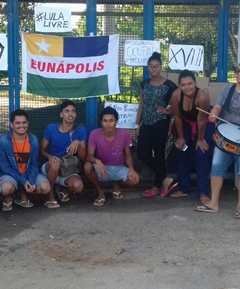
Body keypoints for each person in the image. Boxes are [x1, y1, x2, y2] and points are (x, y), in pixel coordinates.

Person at [196, 61, 240, 218]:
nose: (239, 74)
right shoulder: (227, 89)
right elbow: (218, 106)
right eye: (238, 71)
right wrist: (213, 113)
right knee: (216, 168)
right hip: (224, 137)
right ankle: (213, 203)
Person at [0, 109, 57, 211]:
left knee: (45, 187)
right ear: (11, 124)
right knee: (6, 188)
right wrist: (23, 181)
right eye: (17, 123)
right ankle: (8, 199)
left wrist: (31, 181)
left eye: (24, 122)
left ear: (28, 123)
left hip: (28, 173)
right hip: (10, 174)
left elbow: (34, 163)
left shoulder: (33, 139)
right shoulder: (2, 141)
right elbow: (5, 167)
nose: (21, 126)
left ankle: (23, 193)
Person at [137, 52, 178, 198]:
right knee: (142, 152)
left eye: (156, 66)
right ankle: (165, 178)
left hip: (160, 123)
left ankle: (156, 187)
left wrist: (168, 111)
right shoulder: (144, 84)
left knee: (159, 154)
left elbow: (178, 101)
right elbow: (142, 103)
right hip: (146, 123)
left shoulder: (169, 85)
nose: (154, 69)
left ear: (161, 67)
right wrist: (137, 124)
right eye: (151, 66)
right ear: (148, 68)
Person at [169, 70, 215, 203]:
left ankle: (203, 192)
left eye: (190, 84)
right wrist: (181, 137)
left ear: (195, 83)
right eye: (183, 85)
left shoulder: (203, 97)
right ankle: (184, 188)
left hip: (204, 125)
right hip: (185, 124)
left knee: (201, 152)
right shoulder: (176, 96)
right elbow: (177, 117)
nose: (187, 87)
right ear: (179, 85)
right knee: (182, 149)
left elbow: (201, 121)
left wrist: (200, 140)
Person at [84, 107, 140, 207]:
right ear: (101, 122)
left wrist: (131, 169)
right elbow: (89, 156)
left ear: (116, 121)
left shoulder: (125, 134)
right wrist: (98, 161)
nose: (108, 124)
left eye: (111, 120)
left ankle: (116, 185)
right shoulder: (94, 134)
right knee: (87, 166)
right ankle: (100, 192)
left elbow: (128, 155)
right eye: (105, 121)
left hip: (118, 167)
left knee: (134, 180)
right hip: (101, 168)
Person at [39, 100, 87, 203]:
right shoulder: (51, 128)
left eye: (73, 111)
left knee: (78, 186)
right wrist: (50, 156)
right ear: (61, 114)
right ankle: (50, 195)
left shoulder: (81, 130)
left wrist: (78, 143)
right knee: (55, 164)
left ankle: (61, 188)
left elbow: (83, 157)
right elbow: (41, 150)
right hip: (51, 167)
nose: (70, 114)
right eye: (67, 111)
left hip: (67, 169)